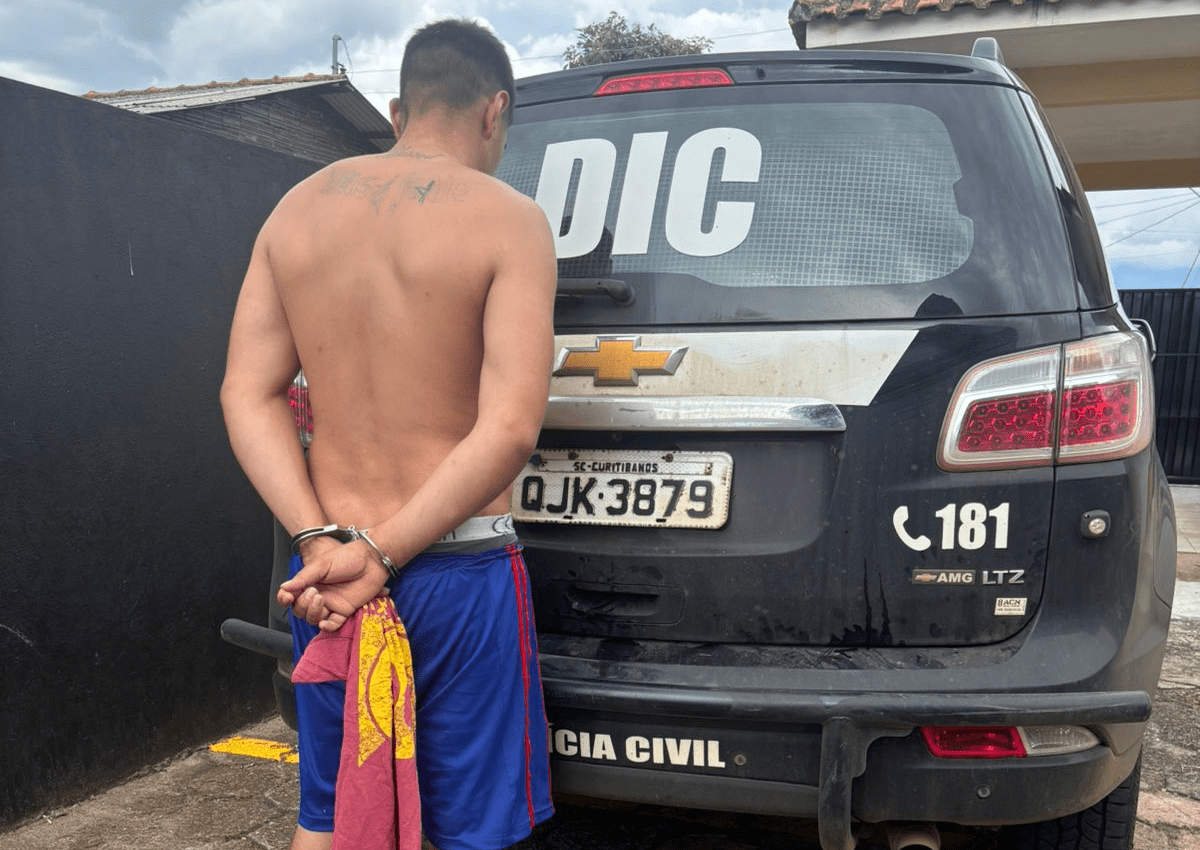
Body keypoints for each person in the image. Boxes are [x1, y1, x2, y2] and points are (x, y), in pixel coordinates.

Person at [220, 18, 558, 850]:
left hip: (328, 576)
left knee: (332, 816)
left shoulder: (295, 212)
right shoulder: (509, 220)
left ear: (399, 110)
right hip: (455, 573)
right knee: (470, 829)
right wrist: (386, 552)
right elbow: (509, 428)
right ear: (495, 111)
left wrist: (320, 540)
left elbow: (247, 393)